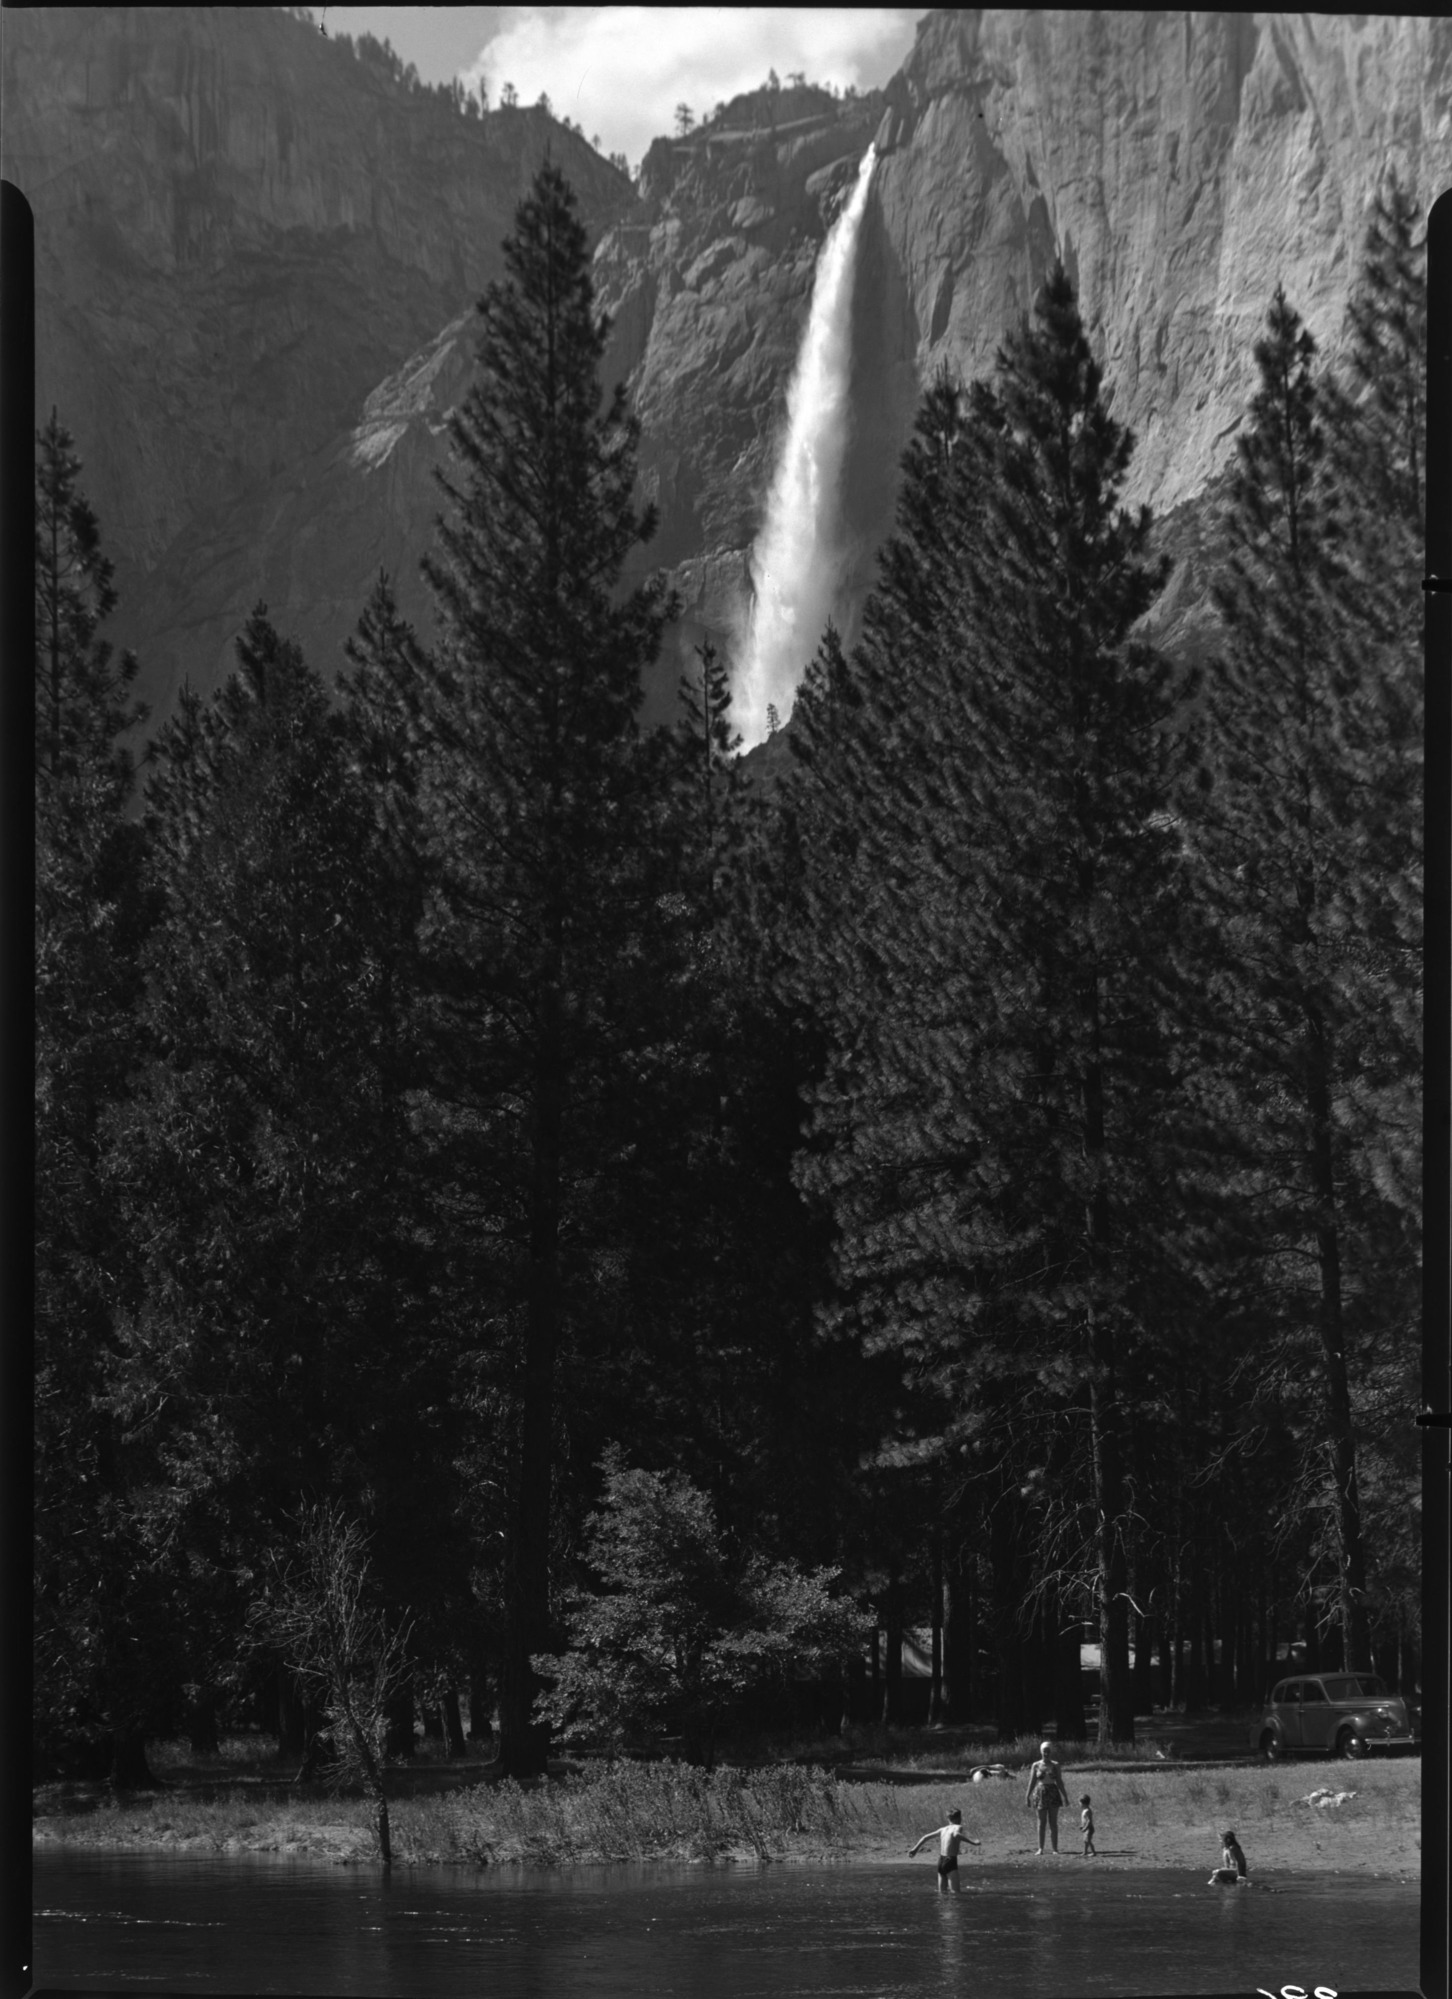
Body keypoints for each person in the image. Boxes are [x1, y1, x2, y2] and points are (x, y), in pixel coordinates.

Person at [908, 1807, 981, 1892]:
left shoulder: (942, 1829)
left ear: (948, 1819)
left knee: (942, 1893)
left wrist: (915, 1850)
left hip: (941, 1861)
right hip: (950, 1861)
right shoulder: (958, 1827)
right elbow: (956, 1834)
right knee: (955, 1893)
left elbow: (925, 1837)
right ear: (959, 1818)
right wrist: (973, 1842)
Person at [1024, 1740, 1068, 1854]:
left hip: (1053, 1792)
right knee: (1041, 1822)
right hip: (1040, 1794)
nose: (1046, 1753)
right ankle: (1040, 1848)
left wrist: (1065, 1797)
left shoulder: (1055, 1765)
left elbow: (1059, 1781)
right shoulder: (1036, 1765)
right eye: (1044, 1751)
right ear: (1041, 1752)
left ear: (1051, 1752)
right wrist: (1027, 1796)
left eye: (1048, 1751)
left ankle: (1055, 1849)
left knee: (1053, 1822)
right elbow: (1032, 1781)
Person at [1079, 1792, 1096, 1857]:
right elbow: (1084, 1820)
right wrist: (1082, 1826)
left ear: (1083, 1803)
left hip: (1089, 1829)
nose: (1079, 1804)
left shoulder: (1088, 1811)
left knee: (1088, 1841)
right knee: (1085, 1841)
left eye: (1079, 1802)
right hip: (1086, 1828)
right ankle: (1085, 1851)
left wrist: (1085, 1828)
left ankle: (1093, 1852)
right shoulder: (1084, 1810)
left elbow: (1089, 1821)